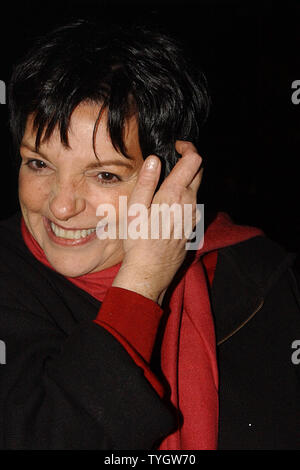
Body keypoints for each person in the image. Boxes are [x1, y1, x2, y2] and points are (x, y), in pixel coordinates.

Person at [0, 19, 299, 450]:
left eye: (104, 174)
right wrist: (142, 285)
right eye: (39, 164)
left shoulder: (253, 275)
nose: (61, 206)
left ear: (173, 181)